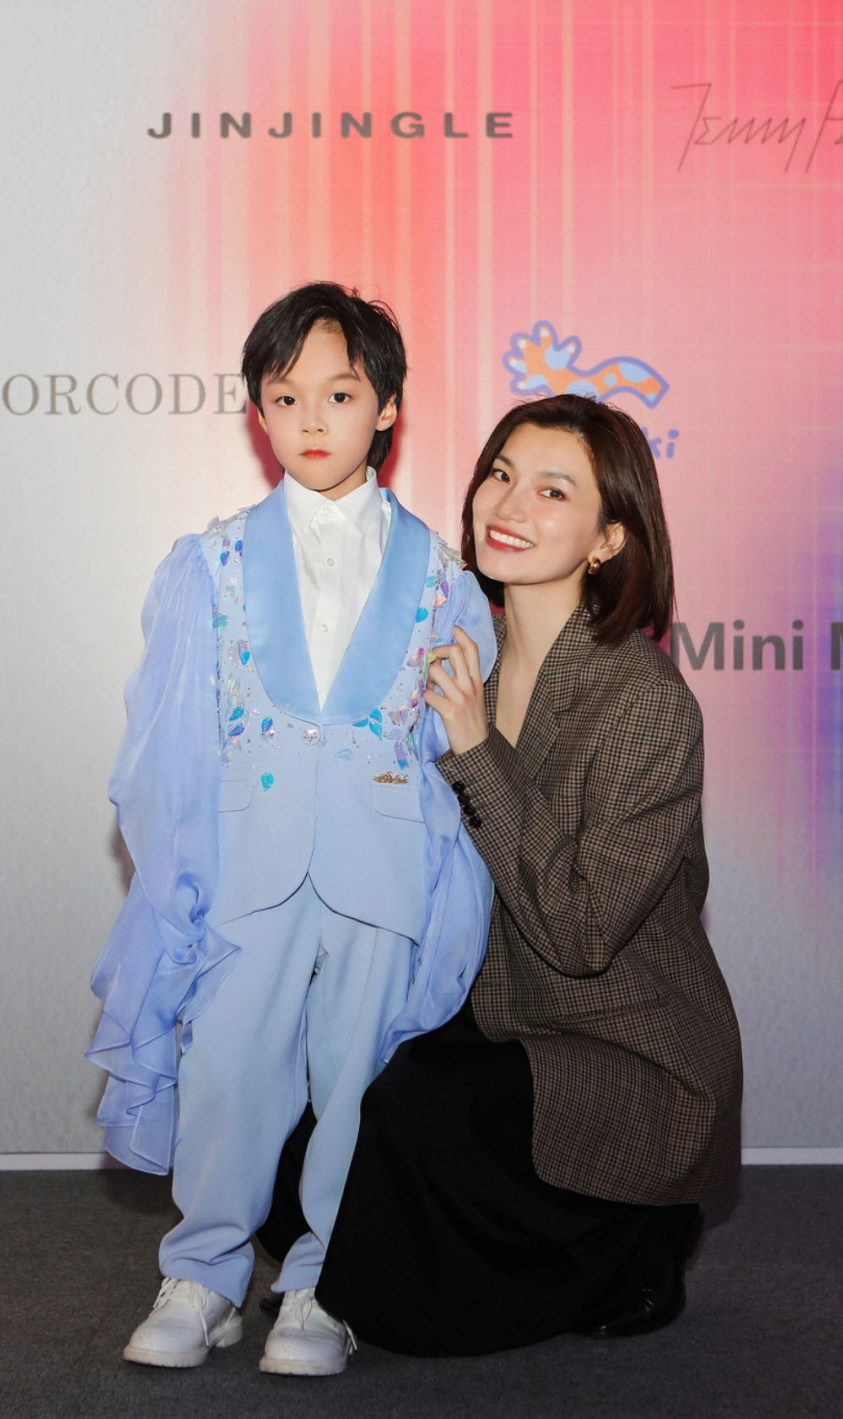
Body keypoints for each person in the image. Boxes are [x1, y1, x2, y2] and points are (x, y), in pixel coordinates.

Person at [85, 282, 496, 1377]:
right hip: (247, 862)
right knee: (227, 1066)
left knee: (356, 1077)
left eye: (340, 394)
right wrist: (179, 873)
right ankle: (206, 1272)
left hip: (382, 862)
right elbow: (171, 741)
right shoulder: (211, 562)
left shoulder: (444, 576)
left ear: (387, 407)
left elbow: (448, 742)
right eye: (285, 396)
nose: (312, 418)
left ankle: (323, 1280)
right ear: (258, 412)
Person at [308, 392, 743, 1355]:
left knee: (415, 1110)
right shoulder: (455, 647)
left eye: (553, 490)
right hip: (483, 1003)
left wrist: (476, 750)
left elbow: (581, 933)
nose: (509, 504)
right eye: (501, 473)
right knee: (306, 1097)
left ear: (609, 538)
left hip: (617, 1040)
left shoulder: (644, 701)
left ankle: (636, 1239)